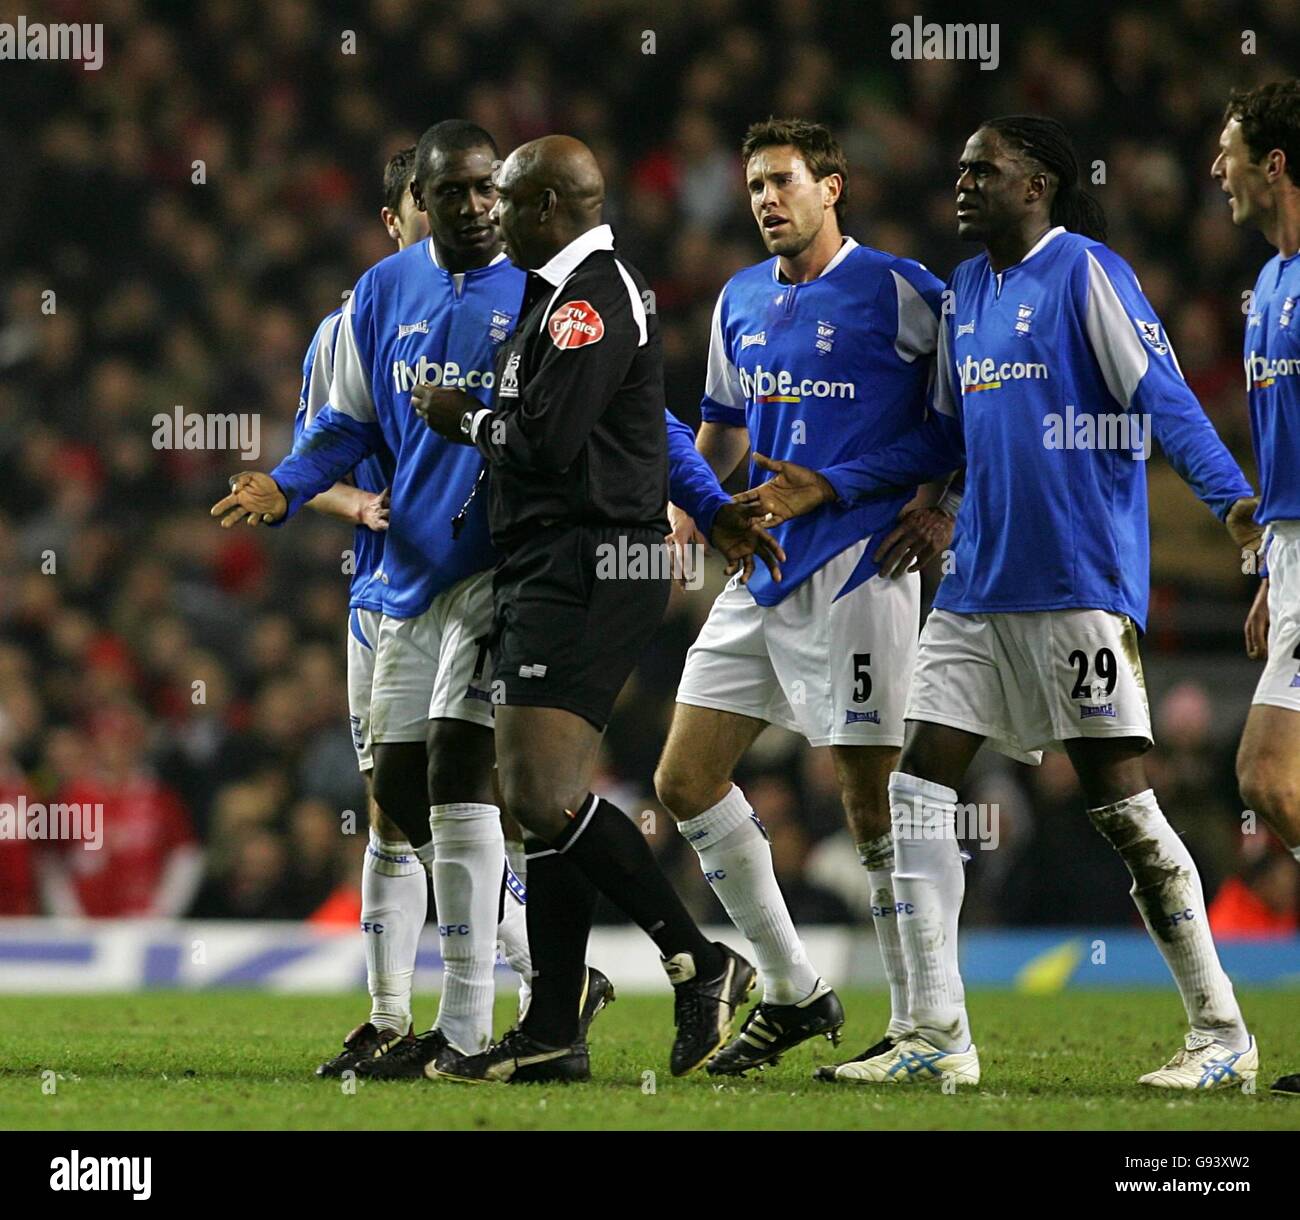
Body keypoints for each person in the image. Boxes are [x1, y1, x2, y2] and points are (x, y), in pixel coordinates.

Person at [737, 116, 1263, 1091]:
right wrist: (882, 495)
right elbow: (945, 436)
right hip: (977, 587)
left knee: (1122, 805)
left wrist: (1236, 508)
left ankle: (1221, 1026)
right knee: (917, 784)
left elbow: (1165, 398)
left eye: (987, 169)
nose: (965, 182)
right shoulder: (968, 291)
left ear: (1042, 182)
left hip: (1073, 583)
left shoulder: (1086, 273)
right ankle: (937, 1028)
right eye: (961, 169)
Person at [413, 135, 780, 1083]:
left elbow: (543, 439)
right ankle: (552, 1029)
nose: (489, 213)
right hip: (562, 561)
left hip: (584, 564)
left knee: (538, 794)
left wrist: (464, 417)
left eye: (503, 198)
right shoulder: (567, 296)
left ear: (544, 207)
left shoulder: (589, 299)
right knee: (546, 808)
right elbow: (634, 425)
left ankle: (698, 958)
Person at [211, 121, 566, 1078]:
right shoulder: (377, 297)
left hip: (494, 570)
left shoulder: (544, 289)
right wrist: (287, 486)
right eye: (447, 193)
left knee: (463, 778)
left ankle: (464, 1024)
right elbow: (343, 425)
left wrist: (697, 497)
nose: (468, 207)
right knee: (401, 795)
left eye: (483, 189)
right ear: (412, 206)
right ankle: (455, 1008)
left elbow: (625, 404)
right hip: (397, 585)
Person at [653, 118, 957, 1075]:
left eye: (783, 182)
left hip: (862, 568)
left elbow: (957, 430)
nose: (765, 201)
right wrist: (687, 515)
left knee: (872, 801)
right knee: (683, 781)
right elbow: (721, 430)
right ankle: (792, 987)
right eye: (753, 187)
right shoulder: (739, 300)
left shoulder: (905, 292)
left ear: (834, 187)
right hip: (761, 568)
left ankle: (929, 1031)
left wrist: (886, 496)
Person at [1212, 78, 1300, 1096]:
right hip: (1288, 546)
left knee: (1268, 774)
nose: (1214, 171)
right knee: (1271, 777)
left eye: (1227, 151)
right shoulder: (1271, 282)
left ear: (1272, 163)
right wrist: (1271, 572)